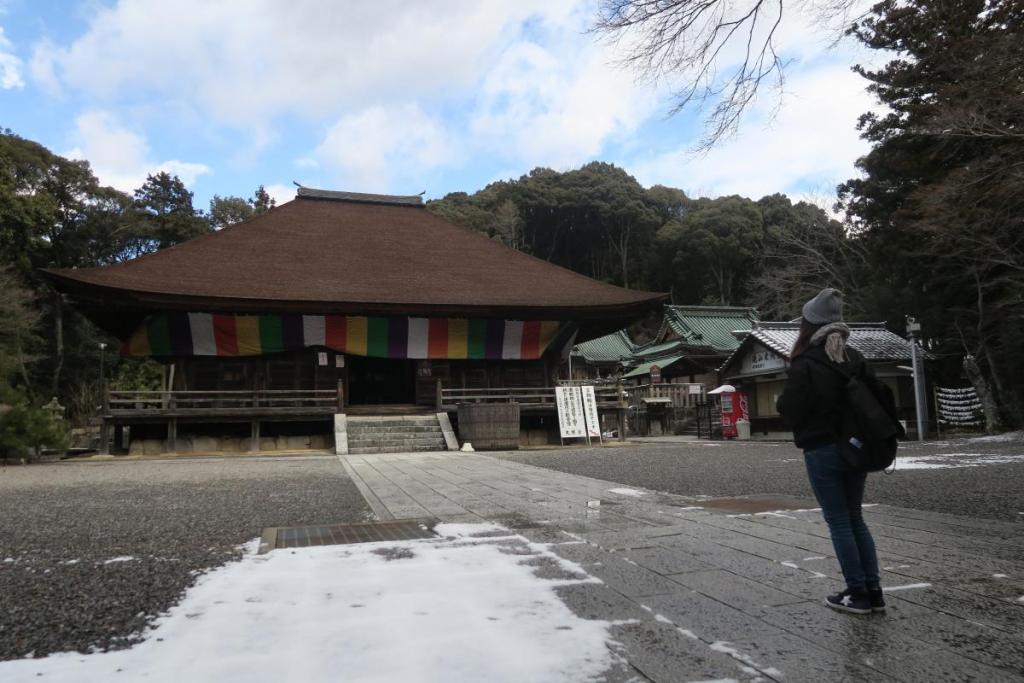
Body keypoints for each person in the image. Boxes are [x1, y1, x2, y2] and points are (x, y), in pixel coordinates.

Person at [776, 288, 884, 615]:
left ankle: (857, 593)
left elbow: (788, 407)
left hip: (823, 450)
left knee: (838, 520)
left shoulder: (807, 362)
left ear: (810, 325)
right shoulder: (855, 358)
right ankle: (873, 591)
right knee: (855, 518)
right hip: (857, 449)